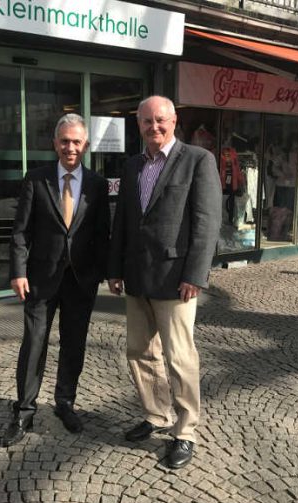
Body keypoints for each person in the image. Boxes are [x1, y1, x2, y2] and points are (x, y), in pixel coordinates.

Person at [108, 96, 222, 469]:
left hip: (176, 279)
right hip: (138, 276)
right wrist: (115, 267)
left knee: (179, 357)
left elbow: (206, 223)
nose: (153, 127)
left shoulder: (197, 160)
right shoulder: (131, 166)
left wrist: (195, 275)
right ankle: (156, 414)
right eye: (146, 122)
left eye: (160, 120)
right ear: (138, 125)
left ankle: (185, 431)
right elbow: (124, 221)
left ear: (174, 121)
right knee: (140, 352)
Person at [0, 113, 110, 447]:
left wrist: (104, 274)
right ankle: (24, 410)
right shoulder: (36, 180)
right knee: (34, 344)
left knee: (74, 344)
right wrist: (18, 271)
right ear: (55, 144)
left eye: (76, 142)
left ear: (86, 145)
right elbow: (21, 232)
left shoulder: (98, 184)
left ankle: (65, 402)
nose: (70, 148)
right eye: (65, 141)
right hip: (40, 279)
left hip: (80, 280)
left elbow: (103, 234)